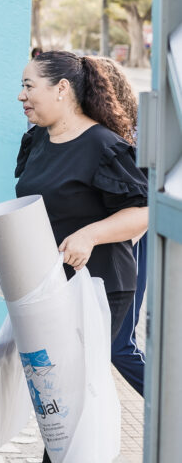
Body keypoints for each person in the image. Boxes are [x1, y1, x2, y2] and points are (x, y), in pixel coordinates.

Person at [13, 50, 148, 463]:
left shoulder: (104, 146)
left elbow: (143, 211)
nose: (22, 96)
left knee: (66, 393)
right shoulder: (37, 140)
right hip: (49, 285)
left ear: (63, 89)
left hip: (101, 286)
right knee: (61, 387)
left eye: (30, 86)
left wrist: (91, 234)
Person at [96, 58, 146, 398]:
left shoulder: (130, 136)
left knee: (120, 346)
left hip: (132, 243)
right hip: (112, 247)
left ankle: (171, 409)